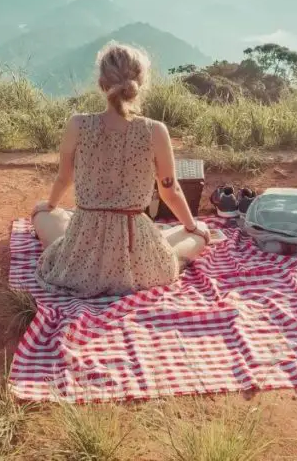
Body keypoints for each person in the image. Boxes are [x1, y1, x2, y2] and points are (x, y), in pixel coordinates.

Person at [31, 42, 211, 298]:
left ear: (102, 83)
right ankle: (187, 235)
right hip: (135, 249)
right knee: (197, 233)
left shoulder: (77, 125)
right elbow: (170, 191)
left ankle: (62, 228)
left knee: (44, 216)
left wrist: (49, 205)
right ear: (140, 83)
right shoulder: (155, 130)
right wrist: (192, 226)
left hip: (83, 249)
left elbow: (65, 177)